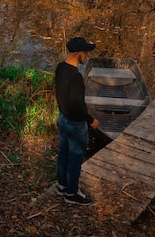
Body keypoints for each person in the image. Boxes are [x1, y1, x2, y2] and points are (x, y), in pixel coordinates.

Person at [55, 36, 100, 205]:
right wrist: (91, 120)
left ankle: (62, 185)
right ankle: (71, 193)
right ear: (76, 53)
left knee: (64, 154)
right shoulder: (76, 77)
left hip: (62, 119)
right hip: (75, 124)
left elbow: (63, 98)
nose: (87, 55)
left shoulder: (60, 68)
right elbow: (78, 106)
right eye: (84, 52)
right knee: (74, 158)